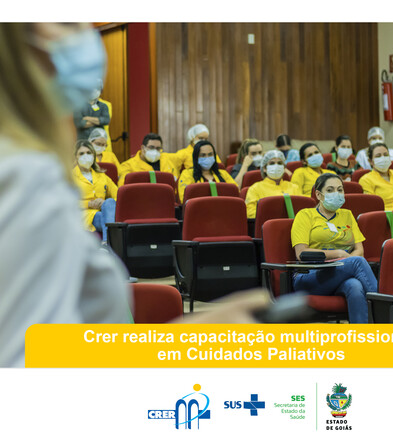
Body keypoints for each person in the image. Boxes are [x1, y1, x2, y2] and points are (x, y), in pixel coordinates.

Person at [0, 23, 270, 368]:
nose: (84, 34)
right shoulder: (20, 175)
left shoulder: (32, 166)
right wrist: (176, 348)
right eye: (67, 21)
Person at [291, 173, 377, 323]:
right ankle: (384, 309)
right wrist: (338, 254)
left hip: (340, 272)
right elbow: (301, 253)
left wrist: (346, 260)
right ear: (319, 194)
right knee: (357, 262)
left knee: (355, 286)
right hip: (310, 275)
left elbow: (360, 250)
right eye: (330, 190)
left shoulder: (347, 215)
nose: (336, 194)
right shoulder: (305, 215)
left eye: (340, 190)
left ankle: (361, 335)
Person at [73, 140, 117, 243]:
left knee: (110, 202)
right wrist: (88, 204)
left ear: (93, 156)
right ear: (76, 157)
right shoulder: (70, 176)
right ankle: (110, 243)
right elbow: (66, 201)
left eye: (89, 153)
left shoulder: (102, 176)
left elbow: (119, 195)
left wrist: (104, 203)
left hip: (105, 212)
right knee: (108, 220)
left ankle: (106, 243)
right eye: (81, 153)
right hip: (84, 215)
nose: (86, 156)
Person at [245, 150, 304, 218]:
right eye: (272, 163)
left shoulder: (294, 187)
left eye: (279, 163)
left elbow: (302, 208)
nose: (276, 166)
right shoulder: (255, 188)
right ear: (264, 168)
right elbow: (250, 213)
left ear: (284, 168)